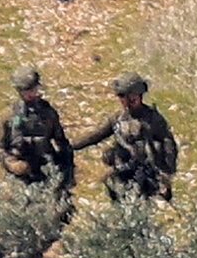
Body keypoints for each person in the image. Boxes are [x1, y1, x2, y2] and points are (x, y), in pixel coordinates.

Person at [69, 73, 177, 203]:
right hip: (123, 170)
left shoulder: (152, 119)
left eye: (124, 96)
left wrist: (166, 174)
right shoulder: (117, 118)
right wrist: (69, 146)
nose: (122, 100)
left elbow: (168, 143)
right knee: (111, 184)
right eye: (120, 96)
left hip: (146, 172)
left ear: (136, 96)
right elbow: (95, 136)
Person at [0, 66, 76, 212]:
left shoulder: (48, 113)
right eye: (26, 90)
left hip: (46, 170)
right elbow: (0, 148)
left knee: (61, 211)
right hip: (21, 176)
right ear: (19, 91)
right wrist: (12, 164)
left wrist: (68, 173)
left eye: (33, 88)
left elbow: (62, 143)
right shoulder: (8, 116)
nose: (31, 93)